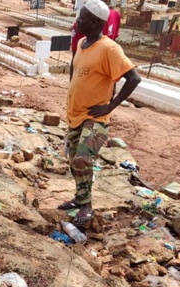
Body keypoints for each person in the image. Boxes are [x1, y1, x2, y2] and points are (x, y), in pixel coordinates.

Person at [61, 0, 141, 226]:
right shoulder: (82, 44)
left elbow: (134, 78)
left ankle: (86, 205)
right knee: (73, 161)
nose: (77, 22)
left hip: (95, 117)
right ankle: (79, 198)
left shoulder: (109, 48)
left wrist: (110, 106)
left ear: (94, 22)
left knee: (83, 158)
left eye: (82, 18)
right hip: (75, 113)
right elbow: (74, 69)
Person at [71, 3, 120, 79]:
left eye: (80, 17)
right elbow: (74, 60)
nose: (77, 20)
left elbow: (132, 77)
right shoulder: (81, 40)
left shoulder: (115, 16)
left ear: (94, 23)